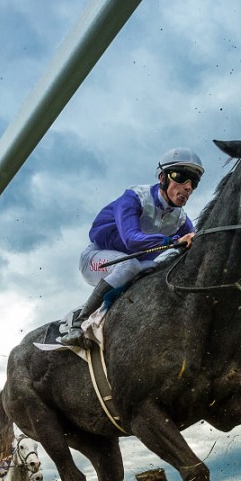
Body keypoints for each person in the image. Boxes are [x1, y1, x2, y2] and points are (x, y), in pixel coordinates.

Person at [60, 147, 204, 347]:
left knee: (158, 272)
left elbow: (199, 243)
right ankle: (78, 323)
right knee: (129, 266)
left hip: (134, 262)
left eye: (194, 182)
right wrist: (172, 242)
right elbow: (131, 239)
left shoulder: (180, 219)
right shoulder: (135, 197)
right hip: (95, 259)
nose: (188, 187)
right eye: (180, 177)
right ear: (162, 178)